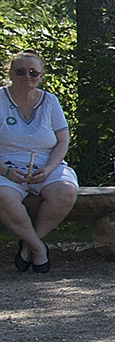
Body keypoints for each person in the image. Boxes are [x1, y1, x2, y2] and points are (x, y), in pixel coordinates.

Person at [1, 50, 78, 273]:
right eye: (20, 71)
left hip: (45, 165)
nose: (27, 76)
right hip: (6, 168)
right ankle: (38, 247)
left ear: (41, 75)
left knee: (66, 191)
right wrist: (6, 172)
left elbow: (63, 140)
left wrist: (49, 168)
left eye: (33, 72)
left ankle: (27, 246)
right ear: (10, 73)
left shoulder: (49, 101)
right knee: (3, 196)